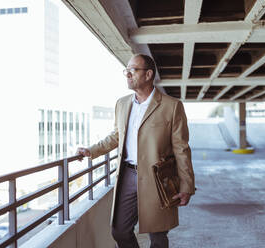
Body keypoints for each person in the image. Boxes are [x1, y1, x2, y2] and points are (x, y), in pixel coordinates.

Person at [76, 54, 195, 248]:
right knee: (120, 231)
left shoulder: (171, 106)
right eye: (127, 70)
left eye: (133, 70)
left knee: (157, 235)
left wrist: (186, 186)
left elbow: (181, 148)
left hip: (159, 177)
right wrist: (92, 150)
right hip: (128, 175)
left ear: (148, 74)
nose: (128, 74)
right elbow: (117, 135)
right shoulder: (122, 104)